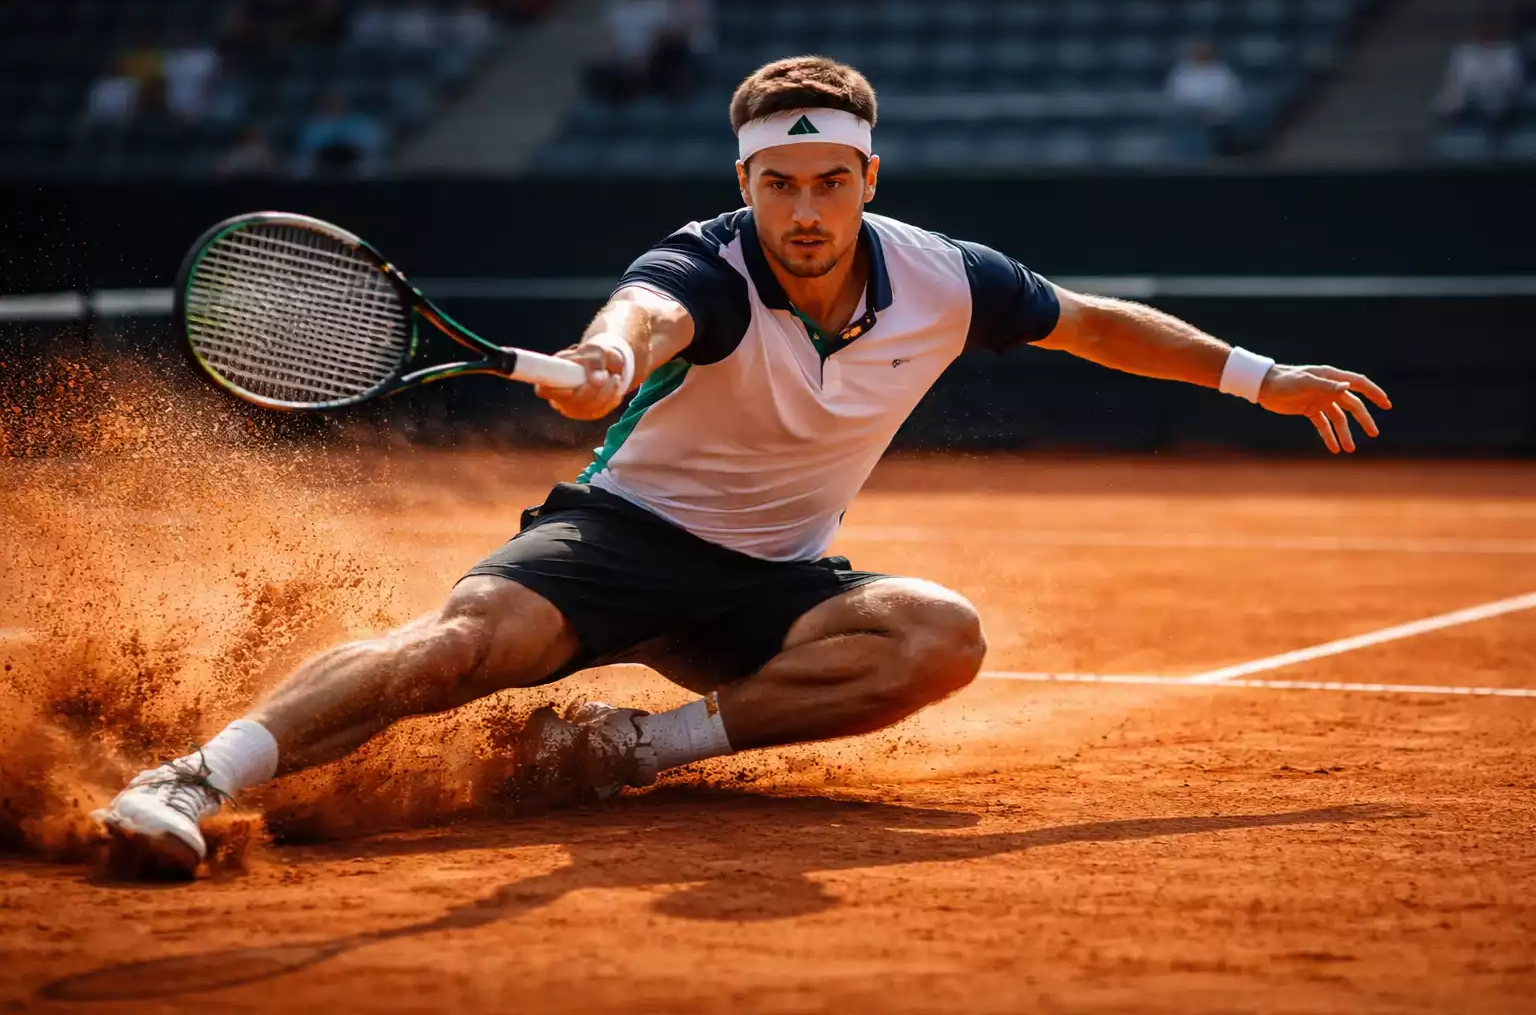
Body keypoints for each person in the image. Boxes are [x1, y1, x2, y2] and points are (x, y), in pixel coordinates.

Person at [95, 56, 1391, 876]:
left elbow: (1094, 321)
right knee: (448, 651)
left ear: (869, 177)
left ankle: (631, 747)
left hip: (769, 579)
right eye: (781, 185)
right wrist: (607, 359)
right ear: (747, 183)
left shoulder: (943, 276)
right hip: (621, 537)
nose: (809, 212)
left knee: (936, 638)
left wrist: (1258, 377)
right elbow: (639, 321)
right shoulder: (704, 268)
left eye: (832, 181)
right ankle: (197, 776)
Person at [1434, 17, 1524, 125]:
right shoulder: (1463, 52)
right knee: (1446, 102)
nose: (1485, 34)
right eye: (1482, 31)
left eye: (1489, 31)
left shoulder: (1508, 53)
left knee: (1496, 104)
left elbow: (1513, 82)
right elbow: (1456, 80)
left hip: (1499, 99)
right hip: (1468, 99)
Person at [1166, 41, 1244, 154]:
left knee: (1206, 130)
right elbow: (1173, 98)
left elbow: (1233, 102)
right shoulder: (1182, 72)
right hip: (1187, 118)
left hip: (1216, 119)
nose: (1202, 56)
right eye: (1199, 53)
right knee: (1186, 127)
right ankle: (1183, 161)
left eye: (1206, 53)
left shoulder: (1224, 74)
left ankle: (1205, 160)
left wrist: (1215, 113)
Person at [292, 91, 387, 178]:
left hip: (356, 162)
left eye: (337, 101)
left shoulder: (363, 123)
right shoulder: (314, 125)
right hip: (322, 164)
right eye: (329, 102)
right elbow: (307, 149)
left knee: (370, 165)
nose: (333, 105)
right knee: (301, 165)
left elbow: (372, 147)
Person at [162, 29, 221, 121]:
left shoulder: (206, 56)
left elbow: (215, 87)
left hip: (201, 117)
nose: (181, 35)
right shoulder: (170, 58)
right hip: (172, 117)